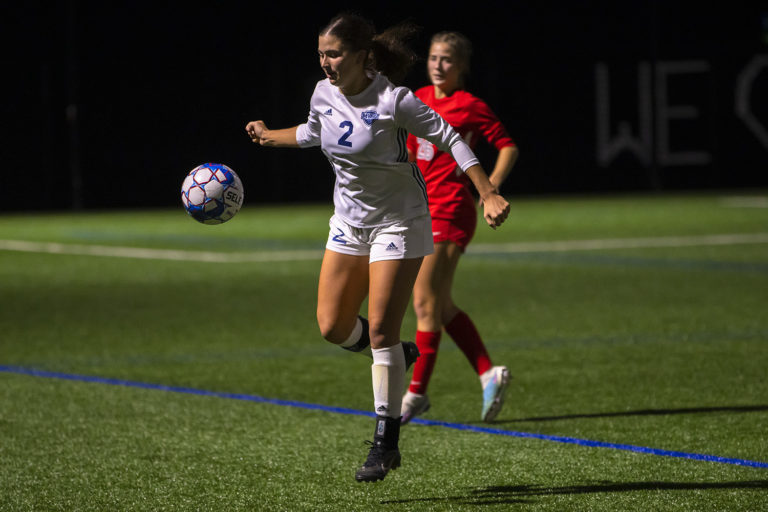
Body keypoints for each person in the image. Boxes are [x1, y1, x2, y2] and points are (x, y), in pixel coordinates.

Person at [245, 13, 510, 483]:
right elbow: (312, 132)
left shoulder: (394, 100)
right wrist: (270, 136)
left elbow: (450, 139)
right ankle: (396, 356)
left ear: (362, 56)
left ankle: (385, 443)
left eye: (334, 54)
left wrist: (487, 191)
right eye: (321, 53)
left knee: (384, 329)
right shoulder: (322, 93)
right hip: (348, 224)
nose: (325, 62)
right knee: (332, 326)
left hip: (399, 222)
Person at [402, 31, 519, 425]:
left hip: (451, 209)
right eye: (434, 57)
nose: (438, 65)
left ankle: (416, 394)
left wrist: (491, 189)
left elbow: (507, 146)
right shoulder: (416, 98)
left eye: (447, 59)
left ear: (462, 66)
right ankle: (488, 373)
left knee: (424, 303)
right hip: (419, 210)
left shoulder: (469, 105)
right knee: (440, 304)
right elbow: (407, 152)